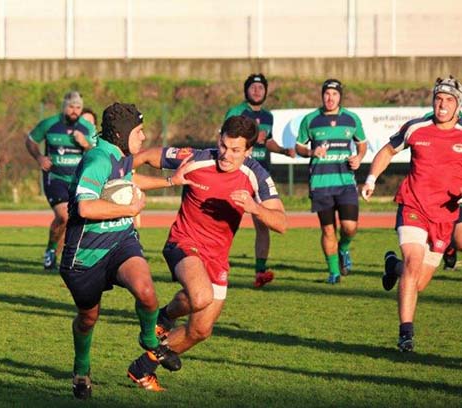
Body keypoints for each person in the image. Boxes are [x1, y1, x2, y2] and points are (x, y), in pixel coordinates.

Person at [127, 115, 287, 384]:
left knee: (200, 330)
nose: (226, 155)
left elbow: (281, 223)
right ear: (218, 139)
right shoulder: (196, 158)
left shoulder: (256, 175)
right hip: (183, 242)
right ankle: (161, 320)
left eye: (236, 150)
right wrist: (118, 173)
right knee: (201, 297)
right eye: (224, 146)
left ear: (248, 151)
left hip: (217, 257)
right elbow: (146, 156)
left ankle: (142, 367)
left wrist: (255, 207)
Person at [61, 103, 181, 400]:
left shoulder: (119, 156)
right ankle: (81, 368)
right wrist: (130, 208)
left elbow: (128, 180)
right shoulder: (98, 159)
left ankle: (150, 340)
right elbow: (85, 207)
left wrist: (170, 181)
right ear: (121, 133)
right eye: (138, 132)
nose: (142, 138)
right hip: (86, 255)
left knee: (147, 291)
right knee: (88, 318)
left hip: (121, 242)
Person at [362, 76, 462, 352]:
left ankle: (392, 265)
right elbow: (387, 150)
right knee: (414, 261)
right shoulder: (416, 127)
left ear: (458, 105)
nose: (442, 105)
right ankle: (406, 334)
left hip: (445, 216)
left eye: (449, 100)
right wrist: (371, 178)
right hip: (413, 206)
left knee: (418, 282)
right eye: (438, 99)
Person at [224, 73, 295, 288]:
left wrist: (283, 150)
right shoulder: (236, 112)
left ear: (265, 91)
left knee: (263, 222)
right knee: (225, 222)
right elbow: (225, 138)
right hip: (237, 173)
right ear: (246, 90)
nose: (257, 91)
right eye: (253, 87)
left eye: (261, 88)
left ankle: (259, 273)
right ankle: (213, 265)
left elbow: (268, 141)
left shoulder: (268, 116)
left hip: (259, 173)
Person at [295, 79, 367, 284]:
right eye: (327, 94)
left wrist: (358, 158)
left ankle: (344, 249)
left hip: (345, 182)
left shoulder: (352, 119)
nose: (330, 98)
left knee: (349, 227)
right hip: (320, 184)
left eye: (334, 94)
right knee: (328, 229)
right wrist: (311, 151)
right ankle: (334, 272)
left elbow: (362, 144)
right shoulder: (310, 120)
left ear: (340, 96)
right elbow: (299, 146)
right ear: (322, 95)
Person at [26, 92, 98, 270]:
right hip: (55, 178)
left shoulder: (87, 129)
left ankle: (59, 254)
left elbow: (98, 154)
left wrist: (86, 145)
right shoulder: (49, 124)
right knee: (64, 216)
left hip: (78, 180)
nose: (75, 111)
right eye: (71, 107)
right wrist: (39, 158)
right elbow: (31, 140)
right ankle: (51, 250)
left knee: (75, 220)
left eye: (78, 108)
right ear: (64, 106)